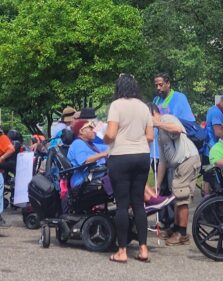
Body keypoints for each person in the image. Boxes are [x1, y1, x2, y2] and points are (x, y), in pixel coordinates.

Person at [103, 73, 154, 264]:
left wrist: (105, 139)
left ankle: (122, 250)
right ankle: (143, 249)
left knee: (122, 205)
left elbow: (111, 134)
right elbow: (150, 136)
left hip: (121, 156)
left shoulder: (116, 105)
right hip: (142, 156)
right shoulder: (143, 107)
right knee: (139, 203)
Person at [151, 103, 202, 246]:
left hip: (187, 159)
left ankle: (182, 233)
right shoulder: (159, 134)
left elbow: (178, 129)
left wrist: (158, 123)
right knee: (176, 194)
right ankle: (176, 227)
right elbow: (162, 161)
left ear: (153, 113)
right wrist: (158, 184)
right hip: (178, 164)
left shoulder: (167, 118)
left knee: (181, 194)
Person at [67, 118, 109, 188]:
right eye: (91, 128)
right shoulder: (77, 143)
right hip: (84, 179)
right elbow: (85, 161)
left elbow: (108, 148)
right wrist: (104, 154)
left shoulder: (91, 144)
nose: (94, 131)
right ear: (81, 131)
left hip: (96, 173)